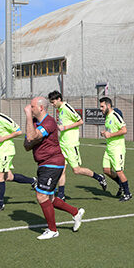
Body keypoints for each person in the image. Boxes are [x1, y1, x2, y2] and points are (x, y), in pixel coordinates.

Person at [23, 97, 85, 240]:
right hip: (43, 164)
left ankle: (53, 230)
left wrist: (28, 119)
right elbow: (27, 145)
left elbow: (31, 137)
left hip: (53, 163)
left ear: (41, 108)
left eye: (32, 107)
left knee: (41, 196)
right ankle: (75, 212)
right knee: (49, 197)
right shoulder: (34, 122)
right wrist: (32, 137)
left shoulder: (49, 122)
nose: (29, 109)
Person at [48, 91, 108, 200]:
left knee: (76, 170)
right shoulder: (59, 110)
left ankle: (99, 177)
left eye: (53, 102)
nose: (52, 104)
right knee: (61, 169)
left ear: (59, 99)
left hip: (71, 145)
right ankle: (61, 194)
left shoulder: (67, 108)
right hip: (63, 144)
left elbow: (80, 121)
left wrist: (65, 128)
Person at [0, 102, 36, 213]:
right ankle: (33, 181)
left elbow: (18, 131)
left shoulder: (1, 118)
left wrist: (3, 138)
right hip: (0, 151)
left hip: (6, 151)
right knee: (8, 177)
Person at [99, 97, 132, 201]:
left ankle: (127, 193)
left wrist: (111, 134)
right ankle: (121, 184)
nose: (101, 109)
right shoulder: (107, 117)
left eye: (102, 106)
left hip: (117, 148)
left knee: (119, 171)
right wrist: (105, 133)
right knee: (106, 170)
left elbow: (124, 130)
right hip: (109, 148)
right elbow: (110, 131)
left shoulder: (115, 116)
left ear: (108, 106)